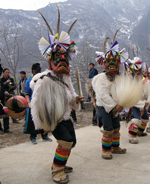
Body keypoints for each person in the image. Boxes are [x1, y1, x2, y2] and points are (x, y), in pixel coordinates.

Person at [30, 8, 84, 183]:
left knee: (71, 142)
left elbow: (69, 94)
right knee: (66, 141)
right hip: (55, 118)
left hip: (66, 115)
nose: (62, 60)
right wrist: (43, 123)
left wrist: (75, 99)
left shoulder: (65, 78)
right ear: (50, 59)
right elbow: (36, 100)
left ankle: (59, 162)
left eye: (65, 57)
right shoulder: (43, 79)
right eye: (57, 57)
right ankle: (57, 171)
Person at [92, 31, 128, 159]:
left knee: (116, 126)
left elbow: (121, 91)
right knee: (108, 128)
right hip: (104, 107)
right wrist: (115, 106)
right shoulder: (101, 78)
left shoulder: (118, 78)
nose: (112, 67)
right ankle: (106, 150)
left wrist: (121, 104)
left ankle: (115, 146)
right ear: (105, 64)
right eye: (109, 64)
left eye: (115, 64)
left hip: (115, 106)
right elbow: (102, 95)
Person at [24, 63, 52, 144]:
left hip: (42, 103)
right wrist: (29, 103)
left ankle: (44, 135)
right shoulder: (29, 81)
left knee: (44, 119)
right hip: (33, 103)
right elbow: (26, 93)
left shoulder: (42, 79)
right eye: (37, 70)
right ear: (33, 71)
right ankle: (33, 137)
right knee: (33, 121)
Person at [124, 57, 149, 144]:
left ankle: (140, 131)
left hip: (142, 102)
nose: (137, 73)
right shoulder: (129, 79)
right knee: (136, 119)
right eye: (135, 71)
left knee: (145, 118)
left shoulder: (142, 79)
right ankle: (132, 136)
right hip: (134, 102)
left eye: (139, 71)